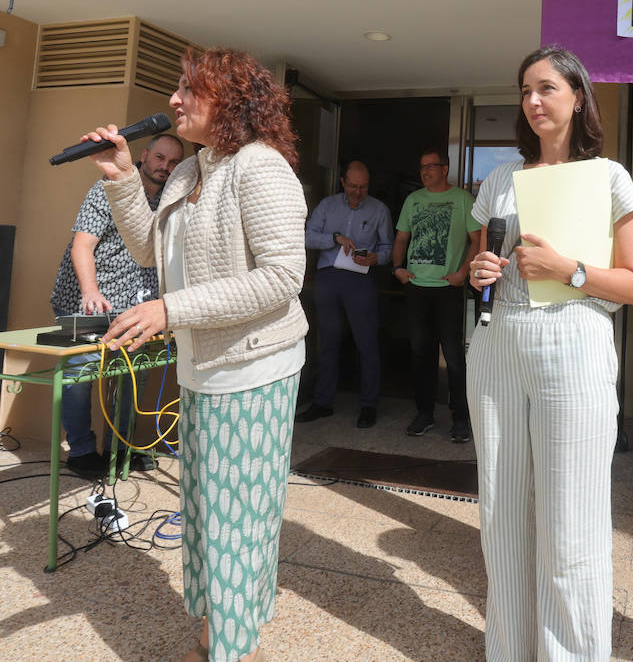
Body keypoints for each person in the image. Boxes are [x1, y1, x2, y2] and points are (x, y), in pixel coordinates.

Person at [85, 47, 307, 662]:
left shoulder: (260, 168)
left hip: (254, 368)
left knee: (238, 522)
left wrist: (169, 312)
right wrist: (124, 178)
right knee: (209, 519)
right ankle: (218, 637)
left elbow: (282, 276)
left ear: (231, 102)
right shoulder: (189, 172)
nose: (174, 101)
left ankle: (230, 649)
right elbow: (152, 254)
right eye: (177, 88)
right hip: (203, 367)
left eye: (190, 89)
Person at [466, 45, 633, 660]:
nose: (534, 101)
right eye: (524, 90)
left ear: (578, 96)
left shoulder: (609, 177)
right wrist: (480, 271)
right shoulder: (499, 179)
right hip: (497, 344)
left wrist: (567, 269)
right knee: (501, 513)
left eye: (547, 88)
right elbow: (478, 262)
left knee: (571, 520)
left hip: (574, 338)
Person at [49, 132, 185, 478]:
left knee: (128, 378)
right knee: (78, 376)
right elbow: (82, 246)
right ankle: (80, 451)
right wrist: (90, 291)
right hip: (88, 302)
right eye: (159, 158)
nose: (164, 167)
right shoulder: (109, 188)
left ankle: (120, 448)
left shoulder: (168, 202)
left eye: (172, 163)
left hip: (131, 305)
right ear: (144, 155)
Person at [392, 147, 480, 442]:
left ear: (445, 169)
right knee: (420, 354)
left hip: (447, 290)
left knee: (454, 357)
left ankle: (460, 419)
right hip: (417, 288)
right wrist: (397, 268)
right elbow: (402, 238)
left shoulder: (463, 200)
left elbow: (477, 240)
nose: (425, 171)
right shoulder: (413, 200)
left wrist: (463, 273)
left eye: (431, 166)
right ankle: (424, 414)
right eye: (422, 166)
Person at [299, 160, 393, 427]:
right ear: (343, 182)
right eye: (352, 186)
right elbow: (306, 235)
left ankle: (368, 405)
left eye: (363, 187)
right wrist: (334, 238)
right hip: (328, 277)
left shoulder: (379, 209)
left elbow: (388, 246)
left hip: (360, 280)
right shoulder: (328, 206)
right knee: (327, 343)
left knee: (367, 343)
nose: (357, 191)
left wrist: (377, 258)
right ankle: (322, 402)